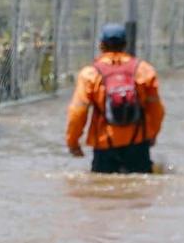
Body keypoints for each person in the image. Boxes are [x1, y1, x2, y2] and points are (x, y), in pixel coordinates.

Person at [66, 23, 165, 174]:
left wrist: (73, 142)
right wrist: (152, 135)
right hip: (138, 142)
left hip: (104, 145)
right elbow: (157, 110)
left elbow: (77, 112)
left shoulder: (91, 74)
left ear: (101, 45)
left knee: (104, 192)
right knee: (140, 193)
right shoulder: (144, 70)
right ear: (125, 44)